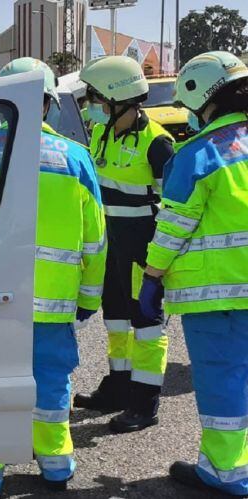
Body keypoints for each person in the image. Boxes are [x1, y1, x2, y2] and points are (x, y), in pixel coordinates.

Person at [0, 58, 106, 496]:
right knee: (51, 381)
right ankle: (56, 465)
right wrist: (88, 299)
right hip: (53, 300)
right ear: (48, 104)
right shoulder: (77, 159)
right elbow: (95, 242)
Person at [138, 51, 248, 497]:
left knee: (224, 380)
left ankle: (224, 473)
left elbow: (172, 230)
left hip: (217, 295)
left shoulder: (198, 155)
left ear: (200, 96)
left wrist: (151, 278)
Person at [72, 56, 176, 433]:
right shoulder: (101, 133)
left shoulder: (158, 145)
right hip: (111, 247)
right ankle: (118, 386)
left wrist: (159, 265)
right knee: (115, 319)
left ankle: (144, 403)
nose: (94, 109)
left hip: (141, 251)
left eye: (98, 101)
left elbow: (174, 210)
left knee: (146, 325)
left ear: (119, 99)